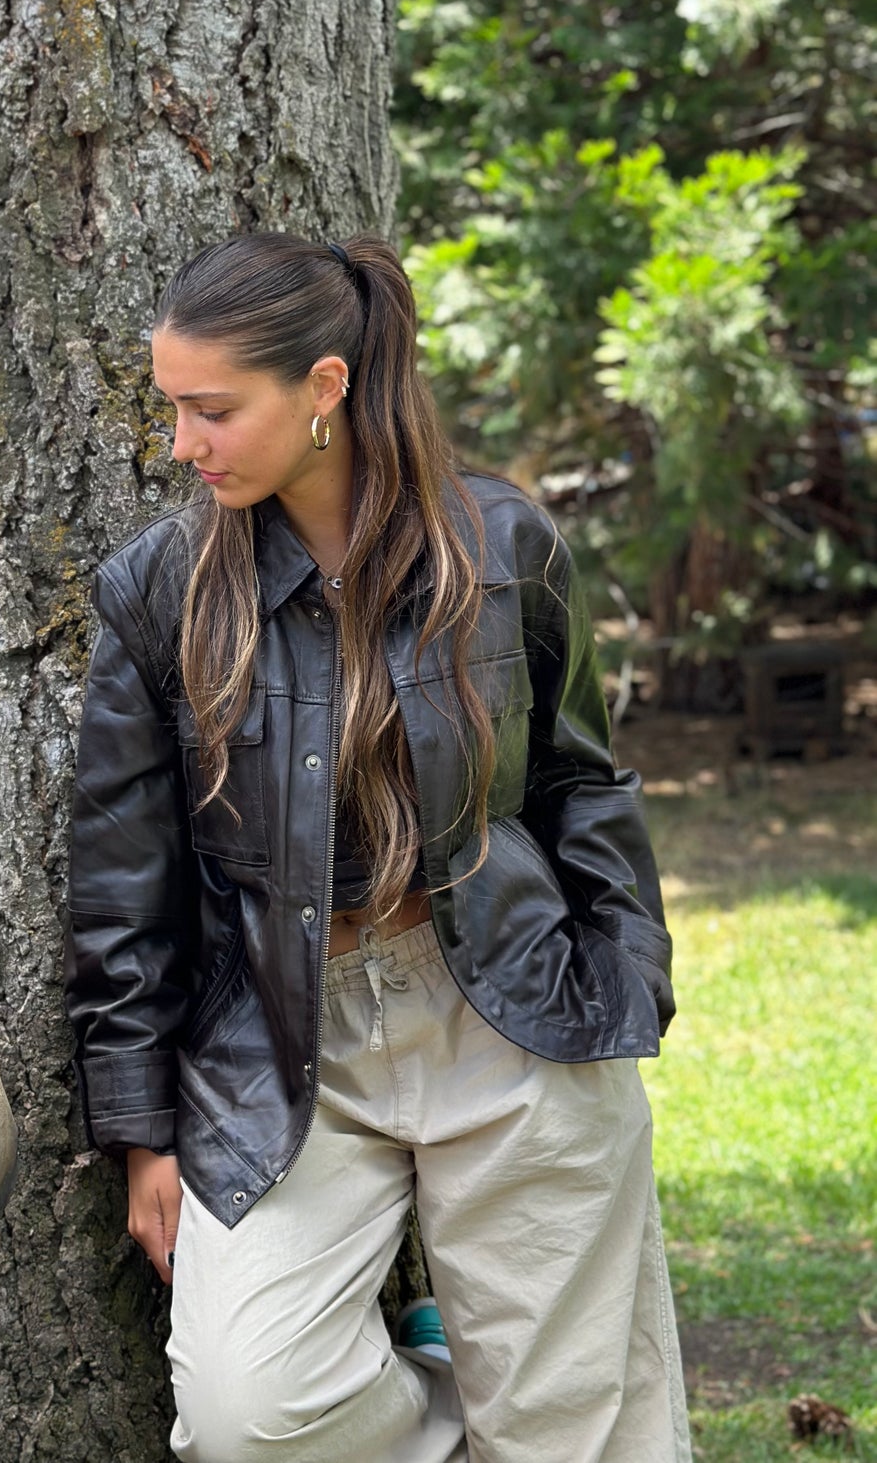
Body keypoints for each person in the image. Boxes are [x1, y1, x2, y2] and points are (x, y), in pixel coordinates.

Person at [63, 231, 691, 1463]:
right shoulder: (159, 588)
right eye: (173, 409)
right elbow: (120, 878)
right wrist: (139, 1128)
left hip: (509, 1010)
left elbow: (579, 778)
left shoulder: (500, 545)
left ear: (324, 389)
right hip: (282, 1047)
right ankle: (452, 1398)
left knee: (572, 1430)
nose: (181, 444)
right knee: (249, 1416)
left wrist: (628, 975)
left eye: (210, 410)